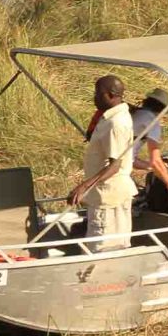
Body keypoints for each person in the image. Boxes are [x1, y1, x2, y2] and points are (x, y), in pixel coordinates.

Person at [66, 75, 138, 251]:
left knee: (103, 248)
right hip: (102, 197)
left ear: (112, 95)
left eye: (98, 93)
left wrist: (83, 186)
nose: (94, 97)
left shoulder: (116, 123)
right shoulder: (108, 117)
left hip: (110, 198)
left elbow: (115, 166)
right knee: (96, 246)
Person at [131, 88, 168, 198]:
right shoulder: (152, 122)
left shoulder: (135, 114)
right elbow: (155, 161)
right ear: (162, 109)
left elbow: (129, 160)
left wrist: (151, 167)